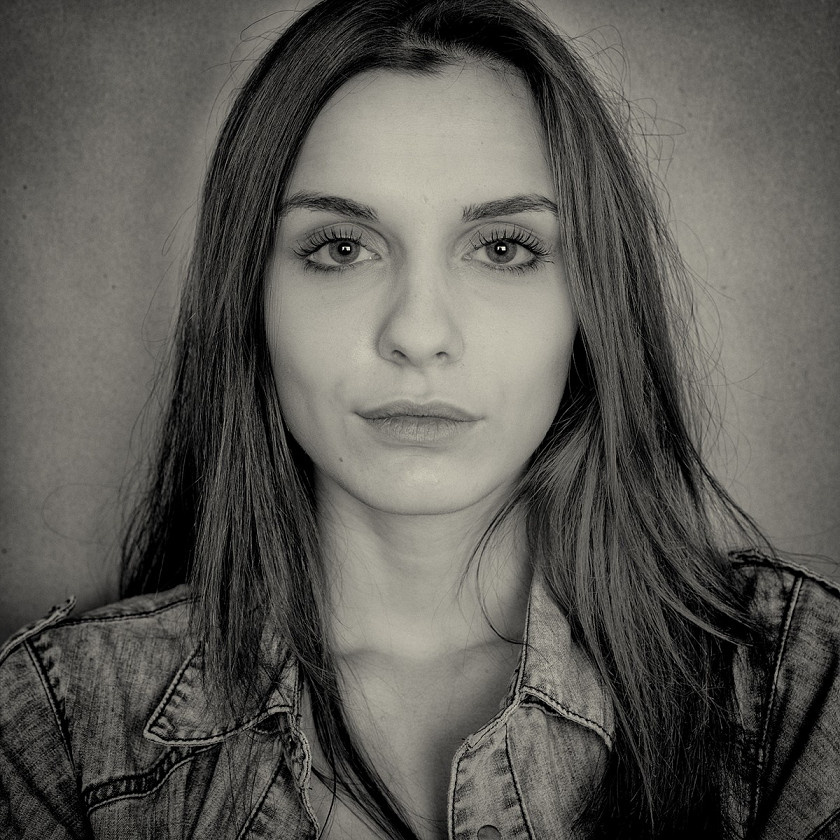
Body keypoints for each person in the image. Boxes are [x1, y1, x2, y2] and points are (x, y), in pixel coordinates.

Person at [1, 0, 838, 837]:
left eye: (503, 248)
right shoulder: (59, 730)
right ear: (250, 297)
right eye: (341, 247)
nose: (418, 332)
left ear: (592, 303)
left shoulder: (796, 694)